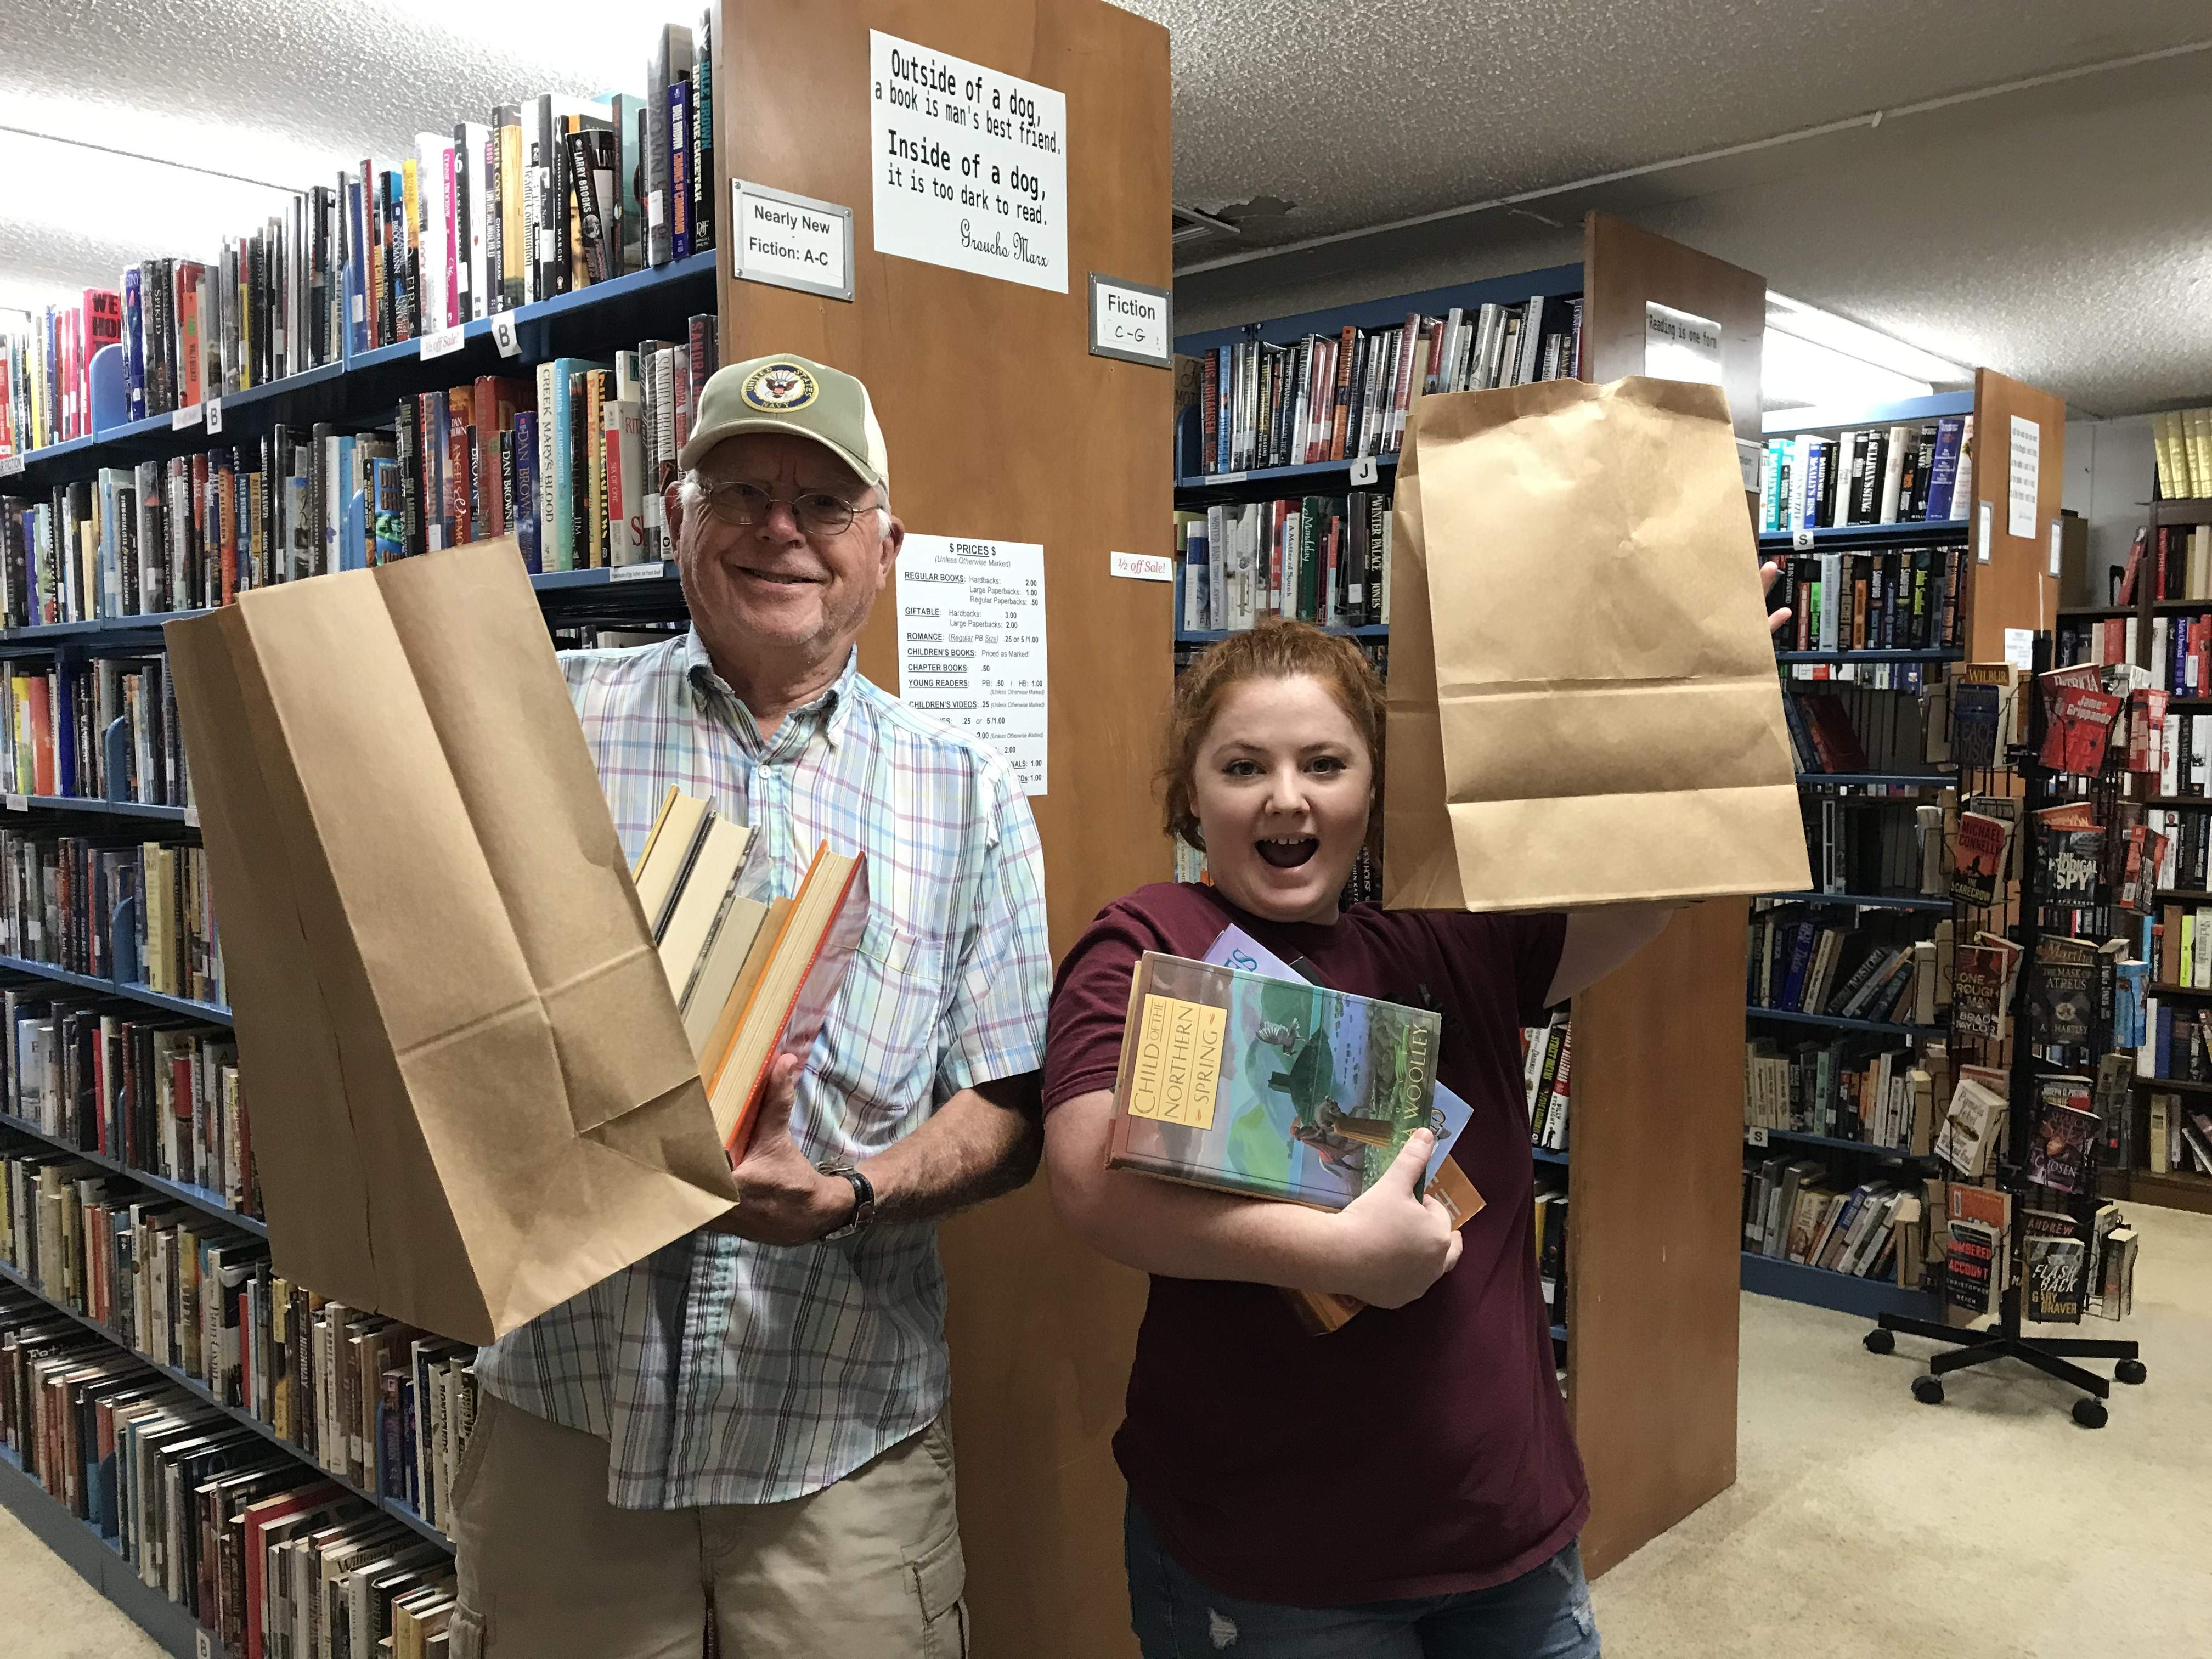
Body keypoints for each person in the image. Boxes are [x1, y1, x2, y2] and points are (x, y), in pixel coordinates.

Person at [1041, 585, 1786, 1657]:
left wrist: (1696, 718)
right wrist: (1342, 1253)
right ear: (1190, 794)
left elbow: (1652, 894)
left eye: (1325, 765)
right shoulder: (1157, 944)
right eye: (1243, 766)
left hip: (1511, 1528)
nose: (1285, 800)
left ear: (1375, 789)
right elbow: (1089, 1180)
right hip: (1279, 1562)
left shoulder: (1447, 942)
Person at [452, 354, 1052, 1658]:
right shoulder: (541, 724)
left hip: (840, 1446)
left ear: (884, 547)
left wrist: (858, 1197)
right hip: (569, 1419)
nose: (781, 528)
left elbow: (1009, 1099)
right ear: (679, 518)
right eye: (741, 491)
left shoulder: (968, 792)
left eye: (825, 503)